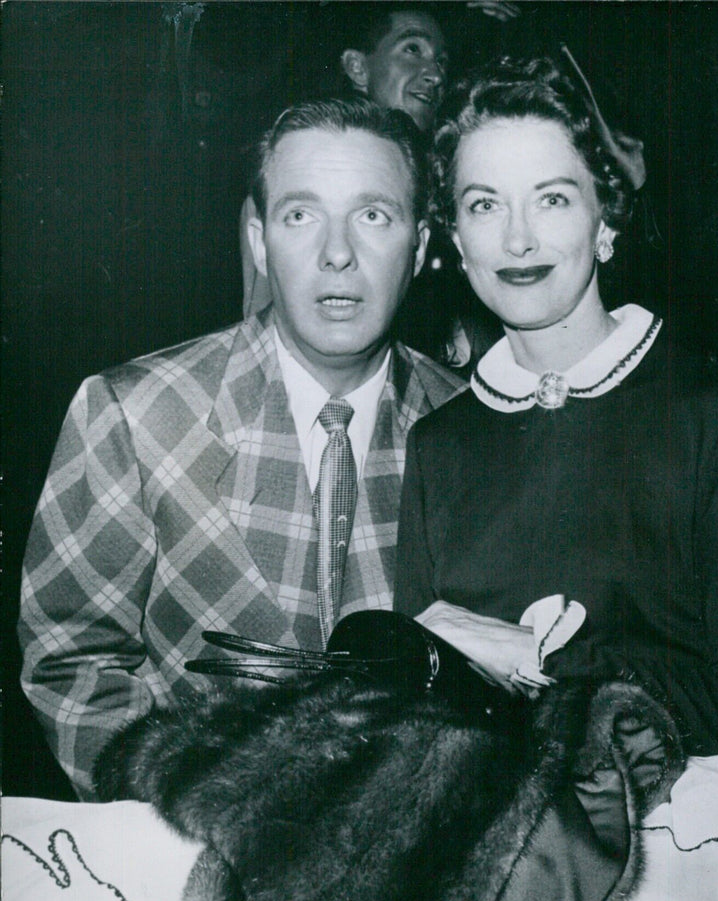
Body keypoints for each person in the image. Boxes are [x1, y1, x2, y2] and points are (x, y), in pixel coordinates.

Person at [385, 53, 718, 901]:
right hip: (485, 834)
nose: (517, 238)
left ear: (605, 222)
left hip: (685, 835)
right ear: (454, 242)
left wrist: (543, 671)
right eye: (484, 204)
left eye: (551, 199)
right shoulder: (440, 444)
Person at [18, 97, 462, 800]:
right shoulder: (136, 414)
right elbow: (71, 660)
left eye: (374, 215)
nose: (337, 252)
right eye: (300, 214)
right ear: (258, 240)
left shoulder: (472, 426)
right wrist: (188, 808)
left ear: (423, 241)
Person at [240, 5, 449, 319]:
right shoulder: (287, 182)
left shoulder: (444, 185)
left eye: (441, 61)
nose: (435, 74)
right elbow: (263, 327)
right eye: (412, 49)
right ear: (358, 68)